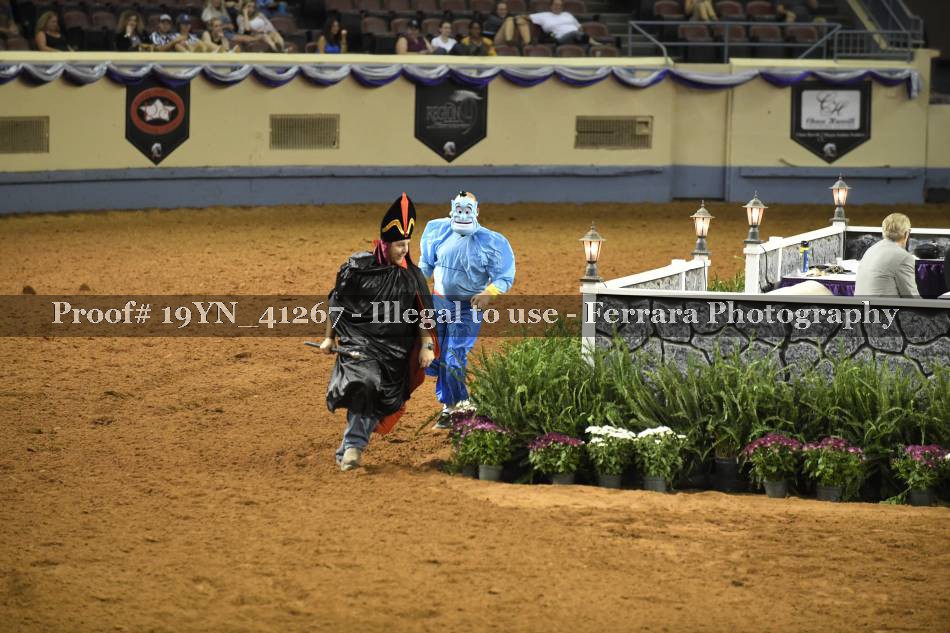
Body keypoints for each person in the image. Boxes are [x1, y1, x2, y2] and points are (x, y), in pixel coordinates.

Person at [320, 193, 438, 471]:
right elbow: (336, 303)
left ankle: (349, 448)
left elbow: (422, 314)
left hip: (396, 353)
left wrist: (426, 346)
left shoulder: (412, 275)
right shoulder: (357, 270)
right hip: (359, 345)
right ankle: (353, 448)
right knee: (366, 384)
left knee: (382, 398)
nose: (404, 250)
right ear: (385, 244)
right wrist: (329, 337)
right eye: (399, 245)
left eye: (407, 244)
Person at [419, 191, 515, 428]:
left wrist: (488, 293)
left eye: (467, 209)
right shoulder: (437, 231)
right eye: (459, 209)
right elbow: (426, 264)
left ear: (476, 211)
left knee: (454, 357)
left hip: (467, 308)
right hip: (438, 303)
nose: (462, 214)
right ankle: (450, 406)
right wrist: (414, 284)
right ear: (452, 209)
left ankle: (460, 405)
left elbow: (504, 276)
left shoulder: (491, 242)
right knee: (438, 356)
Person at [854, 213, 919, 298]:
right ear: (907, 233)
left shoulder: (870, 250)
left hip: (861, 305)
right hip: (883, 306)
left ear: (884, 232)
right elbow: (911, 297)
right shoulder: (904, 257)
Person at [515, 0, 588, 47]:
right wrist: (519, 16)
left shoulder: (567, 14)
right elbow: (527, 16)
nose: (558, 7)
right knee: (576, 33)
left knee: (582, 37)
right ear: (551, 6)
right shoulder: (544, 15)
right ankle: (588, 41)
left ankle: (587, 43)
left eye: (560, 5)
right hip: (560, 38)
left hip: (577, 37)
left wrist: (580, 32)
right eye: (556, 5)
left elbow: (579, 27)